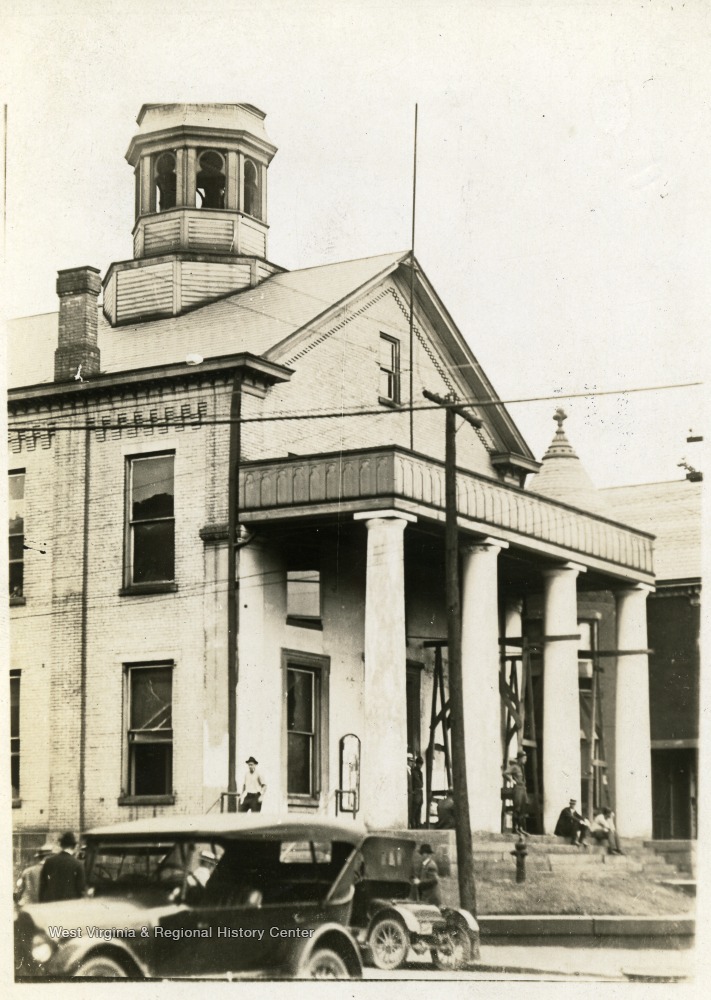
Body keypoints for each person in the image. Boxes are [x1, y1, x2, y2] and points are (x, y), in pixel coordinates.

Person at [39, 831, 85, 902]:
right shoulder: (78, 864)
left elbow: (42, 886)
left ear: (61, 845)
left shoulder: (49, 861)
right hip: (70, 904)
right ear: (74, 846)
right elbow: (81, 888)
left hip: (50, 903)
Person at [502, 751, 529, 835]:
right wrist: (511, 780)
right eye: (524, 758)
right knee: (517, 808)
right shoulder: (514, 767)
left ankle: (521, 828)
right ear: (520, 759)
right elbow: (505, 773)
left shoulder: (522, 768)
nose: (525, 760)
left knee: (523, 808)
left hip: (523, 788)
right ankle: (515, 828)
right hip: (517, 789)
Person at [409, 755, 424, 829]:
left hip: (420, 793)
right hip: (416, 793)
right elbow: (419, 783)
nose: (420, 765)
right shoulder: (414, 772)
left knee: (419, 811)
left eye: (421, 764)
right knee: (414, 812)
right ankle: (413, 826)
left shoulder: (419, 772)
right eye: (419, 764)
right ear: (416, 764)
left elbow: (421, 784)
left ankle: (417, 825)